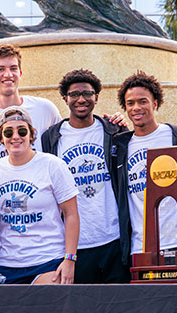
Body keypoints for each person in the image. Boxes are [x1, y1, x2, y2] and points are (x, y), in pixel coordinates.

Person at [41, 69, 130, 283]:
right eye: (74, 94)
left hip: (113, 240)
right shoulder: (51, 138)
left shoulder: (113, 132)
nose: (81, 99)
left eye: (88, 94)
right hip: (76, 246)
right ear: (65, 99)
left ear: (97, 97)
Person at [112, 71, 177, 261]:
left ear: (155, 103)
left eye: (143, 101)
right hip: (141, 247)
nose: (136, 108)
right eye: (130, 103)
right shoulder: (120, 147)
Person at [0, 106, 79, 284]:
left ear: (31, 135)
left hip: (48, 258)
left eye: (22, 131)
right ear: (0, 138)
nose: (15, 136)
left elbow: (71, 214)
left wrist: (70, 259)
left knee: (47, 309)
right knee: (5, 311)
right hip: (9, 262)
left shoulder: (53, 165)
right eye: (8, 132)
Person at [0, 44, 62, 159]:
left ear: (20, 73)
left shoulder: (45, 109)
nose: (8, 74)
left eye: (13, 68)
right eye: (0, 69)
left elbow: (62, 144)